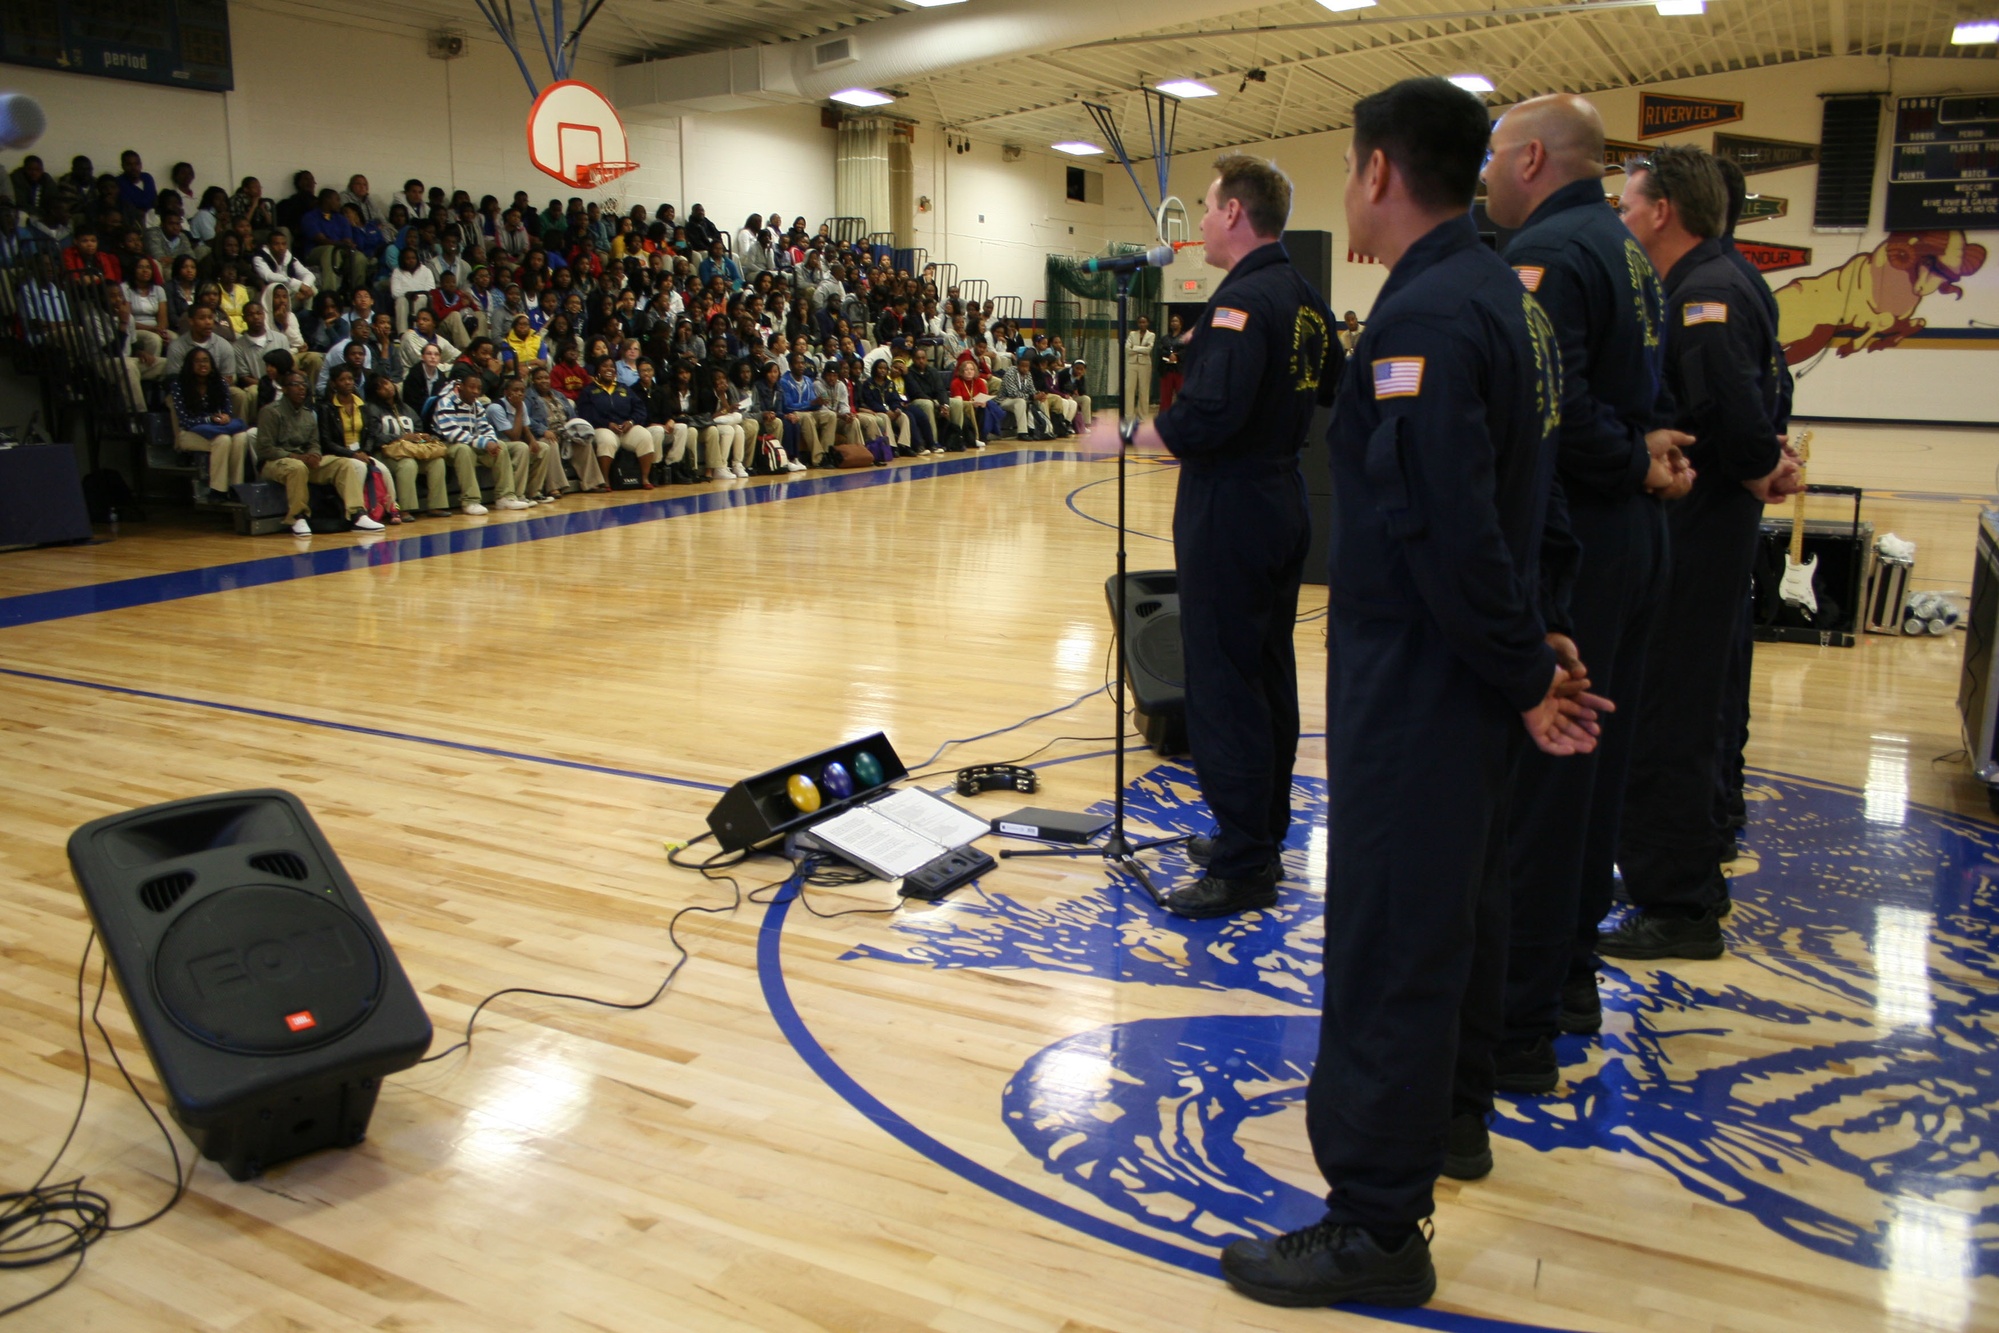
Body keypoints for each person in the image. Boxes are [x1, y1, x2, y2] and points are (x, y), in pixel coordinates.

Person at [1212, 80, 1603, 1309]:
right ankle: (1444, 1121)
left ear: (1380, 171)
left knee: (1388, 935)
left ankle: (1377, 1224)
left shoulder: (1428, 313)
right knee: (1460, 910)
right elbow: (1516, 506)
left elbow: (1444, 529)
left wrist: (1525, 664)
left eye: (1346, 168)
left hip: (1419, 679)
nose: (1345, 189)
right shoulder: (1500, 294)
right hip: (1467, 672)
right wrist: (1532, 644)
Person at [1475, 93, 1695, 1088]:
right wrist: (1646, 454)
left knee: (1551, 779)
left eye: (1491, 157)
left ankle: (1522, 1017)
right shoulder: (1629, 252)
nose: (1483, 177)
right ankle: (1566, 978)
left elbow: (1554, 404)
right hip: (1630, 539)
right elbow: (1634, 394)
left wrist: (1631, 461)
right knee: (1593, 776)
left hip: (1589, 539)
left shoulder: (1553, 258)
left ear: (1528, 159)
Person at [1084, 152, 1344, 921]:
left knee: (1225, 687)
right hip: (1283, 494)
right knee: (1265, 674)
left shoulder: (1241, 305)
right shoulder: (1300, 293)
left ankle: (1241, 866)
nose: (1197, 221)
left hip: (1230, 502)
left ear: (1234, 213)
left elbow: (1205, 419)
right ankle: (1258, 832)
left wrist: (1123, 432)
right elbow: (1331, 381)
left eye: (1204, 206)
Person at [1599, 144, 1800, 961]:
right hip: (1713, 528)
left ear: (1661, 211)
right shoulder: (1723, 277)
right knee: (1704, 701)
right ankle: (1692, 857)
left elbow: (1729, 401)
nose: (1618, 216)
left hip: (1697, 526)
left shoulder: (1705, 292)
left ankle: (1676, 903)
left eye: (1626, 203)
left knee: (1668, 714)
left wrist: (1758, 465)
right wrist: (1762, 459)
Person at [256, 371, 380, 535]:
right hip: (275, 463)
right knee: (297, 467)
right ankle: (298, 516)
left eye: (304, 385)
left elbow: (314, 442)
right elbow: (265, 448)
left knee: (344, 464)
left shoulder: (308, 414)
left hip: (303, 459)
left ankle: (357, 514)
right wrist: (297, 457)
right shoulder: (271, 412)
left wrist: (314, 455)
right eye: (296, 385)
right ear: (285, 389)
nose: (301, 389)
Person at [362, 371, 471, 517]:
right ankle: (405, 509)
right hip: (385, 454)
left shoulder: (406, 408)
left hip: (411, 451)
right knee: (407, 464)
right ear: (374, 392)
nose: (387, 388)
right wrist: (402, 437)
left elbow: (418, 427)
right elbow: (373, 437)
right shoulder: (371, 409)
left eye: (387, 383)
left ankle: (436, 506)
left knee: (437, 462)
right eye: (380, 387)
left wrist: (422, 436)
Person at [434, 367, 532, 511]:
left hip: (473, 443)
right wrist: (484, 443)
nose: (475, 391)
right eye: (472, 387)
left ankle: (505, 497)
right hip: (448, 445)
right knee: (463, 449)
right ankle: (470, 501)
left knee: (500, 445)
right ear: (460, 387)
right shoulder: (445, 402)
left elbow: (485, 427)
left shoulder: (477, 404)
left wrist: (491, 441)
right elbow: (452, 434)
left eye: (479, 388)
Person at [168, 347, 253, 500]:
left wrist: (226, 418)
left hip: (217, 430)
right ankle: (218, 490)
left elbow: (227, 410)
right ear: (190, 365)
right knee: (223, 440)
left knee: (240, 438)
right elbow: (184, 420)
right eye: (198, 361)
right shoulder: (179, 385)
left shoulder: (219, 382)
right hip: (190, 433)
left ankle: (236, 487)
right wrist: (209, 419)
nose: (203, 365)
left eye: (206, 360)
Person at [576, 354, 658, 486]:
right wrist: (607, 424)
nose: (609, 369)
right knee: (606, 440)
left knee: (645, 436)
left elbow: (640, 409)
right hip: (602, 427)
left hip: (626, 428)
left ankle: (645, 478)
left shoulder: (624, 388)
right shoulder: (589, 391)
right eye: (605, 366)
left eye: (612, 367)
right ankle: (605, 479)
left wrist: (631, 422)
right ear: (598, 370)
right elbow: (587, 414)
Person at [487, 374, 564, 503]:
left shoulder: (521, 405)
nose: (519, 394)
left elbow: (526, 428)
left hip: (512, 444)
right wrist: (518, 410)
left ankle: (534, 492)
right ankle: (517, 494)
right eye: (515, 390)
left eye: (522, 391)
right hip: (498, 445)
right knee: (521, 447)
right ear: (506, 392)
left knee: (543, 447)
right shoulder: (496, 408)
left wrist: (533, 441)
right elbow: (514, 436)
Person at [778, 351, 835, 465]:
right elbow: (788, 406)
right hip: (794, 413)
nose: (801, 366)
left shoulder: (808, 380)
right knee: (807, 417)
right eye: (797, 363)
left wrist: (820, 402)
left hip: (810, 411)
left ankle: (826, 454)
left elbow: (813, 402)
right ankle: (817, 458)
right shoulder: (784, 381)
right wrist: (811, 403)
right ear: (790, 365)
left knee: (831, 415)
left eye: (803, 363)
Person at [1123, 313, 1156, 418]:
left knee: (1143, 390)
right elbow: (1127, 349)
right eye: (1140, 322)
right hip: (1131, 363)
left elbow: (1148, 350)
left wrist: (1135, 348)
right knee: (1129, 389)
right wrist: (1141, 348)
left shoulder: (1151, 335)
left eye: (1144, 322)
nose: (1142, 324)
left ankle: (1142, 416)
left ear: (1148, 323)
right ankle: (1128, 415)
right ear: (1138, 324)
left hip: (1145, 364)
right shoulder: (1132, 334)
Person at [1155, 313, 1185, 412]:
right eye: (1172, 321)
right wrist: (1169, 355)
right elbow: (1160, 350)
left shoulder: (1185, 337)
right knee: (1165, 397)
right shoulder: (1164, 338)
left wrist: (1177, 355)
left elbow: (1188, 350)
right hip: (1166, 371)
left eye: (1176, 321)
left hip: (1180, 371)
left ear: (1180, 324)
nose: (1174, 323)